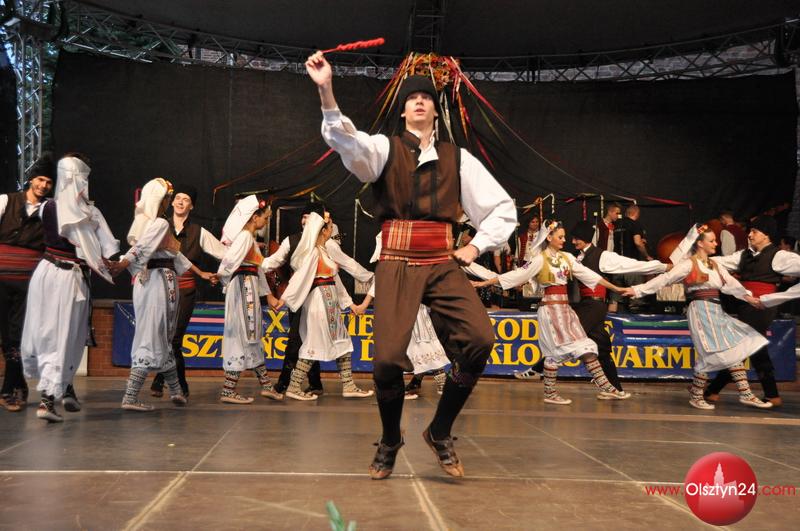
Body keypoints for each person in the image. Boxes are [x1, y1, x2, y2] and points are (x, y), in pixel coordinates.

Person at [308, 51, 516, 479]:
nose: (419, 101)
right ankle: (390, 439)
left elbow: (502, 208)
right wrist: (326, 90)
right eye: (411, 98)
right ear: (403, 110)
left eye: (426, 97)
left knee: (479, 340)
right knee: (387, 361)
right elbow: (347, 142)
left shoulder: (457, 158)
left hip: (441, 261)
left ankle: (439, 430)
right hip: (397, 261)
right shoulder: (383, 149)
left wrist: (476, 246)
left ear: (435, 110)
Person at [473, 222, 628, 404]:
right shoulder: (540, 260)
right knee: (559, 352)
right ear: (549, 237)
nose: (564, 240)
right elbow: (515, 276)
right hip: (550, 310)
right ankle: (553, 393)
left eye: (564, 237)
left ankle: (605, 388)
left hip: (565, 310)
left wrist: (615, 288)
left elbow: (590, 275)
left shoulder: (567, 257)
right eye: (560, 237)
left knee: (584, 348)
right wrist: (483, 283)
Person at [621, 225, 772, 410]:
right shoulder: (688, 264)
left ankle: (700, 393)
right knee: (720, 350)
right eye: (712, 241)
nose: (716, 243)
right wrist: (637, 290)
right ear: (700, 243)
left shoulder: (715, 264)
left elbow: (731, 283)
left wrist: (749, 297)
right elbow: (665, 279)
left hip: (716, 310)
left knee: (723, 350)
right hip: (700, 310)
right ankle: (741, 393)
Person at [513, 220, 667, 398]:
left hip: (595, 305)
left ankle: (539, 369)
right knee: (602, 348)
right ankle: (615, 389)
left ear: (585, 238)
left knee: (569, 340)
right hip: (585, 304)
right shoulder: (571, 257)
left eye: (576, 238)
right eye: (568, 238)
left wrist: (662, 267)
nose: (572, 242)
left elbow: (631, 265)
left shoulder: (602, 256)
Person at [20, 154, 119, 421]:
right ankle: (47, 400)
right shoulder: (88, 212)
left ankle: (65, 389)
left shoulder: (46, 207)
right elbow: (107, 249)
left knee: (57, 334)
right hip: (67, 278)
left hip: (47, 273)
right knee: (63, 335)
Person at [260, 203, 373, 396]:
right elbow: (299, 278)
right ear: (323, 230)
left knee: (343, 342)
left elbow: (334, 280)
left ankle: (348, 386)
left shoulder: (324, 250)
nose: (332, 231)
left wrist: (349, 304)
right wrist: (284, 299)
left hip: (329, 303)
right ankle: (293, 386)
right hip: (318, 303)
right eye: (330, 227)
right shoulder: (313, 252)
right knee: (312, 344)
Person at [106, 178, 196, 411]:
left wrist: (125, 262)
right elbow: (143, 248)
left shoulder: (142, 222)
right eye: (168, 198)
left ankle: (175, 390)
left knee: (161, 336)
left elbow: (160, 252)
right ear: (160, 199)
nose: (169, 202)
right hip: (159, 282)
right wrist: (124, 263)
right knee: (153, 334)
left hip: (146, 281)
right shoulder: (161, 223)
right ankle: (130, 396)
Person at [704, 216, 800, 407]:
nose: (750, 234)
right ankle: (770, 394)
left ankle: (713, 390)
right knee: (752, 346)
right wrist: (696, 260)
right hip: (745, 305)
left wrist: (780, 297)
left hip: (763, 306)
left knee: (744, 344)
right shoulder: (744, 255)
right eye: (750, 231)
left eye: (755, 231)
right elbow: (720, 262)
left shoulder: (779, 256)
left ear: (766, 235)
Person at [150, 184, 224, 398]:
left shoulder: (198, 232)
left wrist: (232, 263)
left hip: (185, 290)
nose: (181, 202)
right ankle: (177, 383)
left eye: (186, 199)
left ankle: (168, 381)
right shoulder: (160, 226)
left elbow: (223, 253)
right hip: (160, 287)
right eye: (178, 198)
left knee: (174, 338)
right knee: (163, 337)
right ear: (172, 202)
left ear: (191, 206)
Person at [354, 234, 450, 400]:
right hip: (403, 308)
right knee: (413, 346)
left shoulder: (403, 261)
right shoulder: (396, 262)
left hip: (410, 308)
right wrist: (364, 304)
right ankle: (422, 383)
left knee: (421, 344)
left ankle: (439, 382)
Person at [0, 153, 55, 412]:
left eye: (49, 182)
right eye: (40, 179)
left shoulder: (50, 211)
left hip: (29, 284)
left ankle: (9, 389)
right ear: (31, 179)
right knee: (6, 334)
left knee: (18, 334)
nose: (44, 185)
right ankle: (18, 384)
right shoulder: (6, 201)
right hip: (1, 280)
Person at [215, 195, 282, 404]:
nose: (266, 221)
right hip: (243, 289)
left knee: (252, 336)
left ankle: (266, 386)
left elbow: (258, 269)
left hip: (248, 287)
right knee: (243, 335)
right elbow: (230, 261)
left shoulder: (249, 239)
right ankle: (228, 390)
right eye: (265, 218)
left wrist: (268, 295)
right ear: (254, 217)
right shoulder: (244, 237)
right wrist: (222, 277)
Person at [611, 203, 652, 312]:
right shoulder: (635, 224)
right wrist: (647, 256)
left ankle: (610, 321)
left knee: (614, 300)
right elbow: (637, 242)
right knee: (636, 300)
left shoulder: (617, 225)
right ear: (636, 213)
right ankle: (635, 321)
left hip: (616, 267)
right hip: (631, 266)